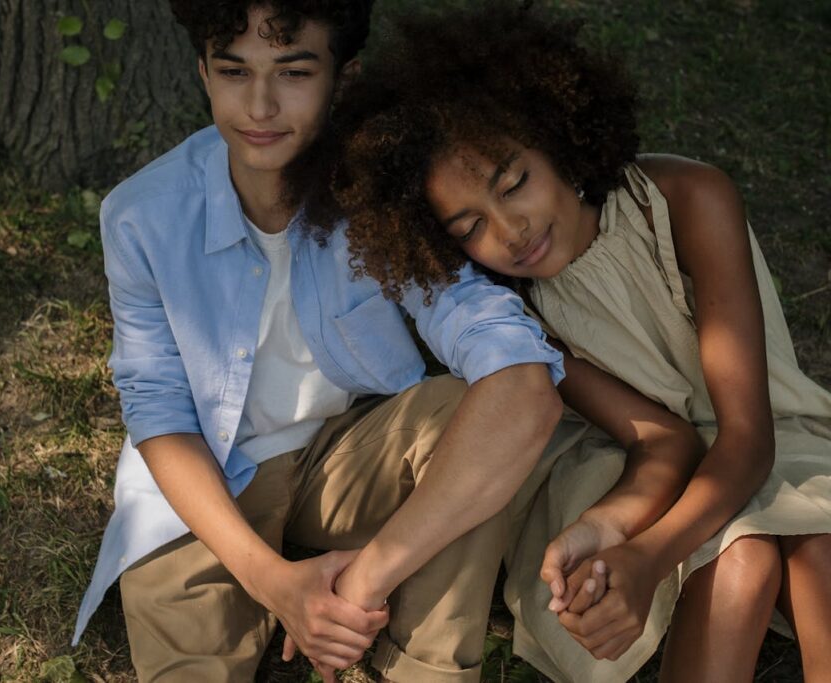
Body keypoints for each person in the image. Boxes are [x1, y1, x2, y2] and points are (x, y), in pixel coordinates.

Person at [68, 2, 595, 681]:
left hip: (344, 462)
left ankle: (420, 670)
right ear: (203, 73)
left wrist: (369, 578)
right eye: (234, 71)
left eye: (292, 72)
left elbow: (517, 379)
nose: (259, 105)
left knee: (474, 414)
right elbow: (159, 413)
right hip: (208, 487)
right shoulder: (140, 215)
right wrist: (273, 582)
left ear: (342, 79)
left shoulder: (380, 191)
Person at [322, 3, 831, 682]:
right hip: (625, 463)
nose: (510, 230)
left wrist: (650, 557)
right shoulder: (516, 309)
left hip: (764, 433)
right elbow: (663, 441)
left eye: (514, 182)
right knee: (744, 557)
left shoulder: (687, 200)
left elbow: (744, 439)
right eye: (471, 225)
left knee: (818, 550)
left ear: (557, 138)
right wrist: (622, 536)